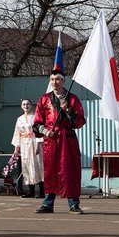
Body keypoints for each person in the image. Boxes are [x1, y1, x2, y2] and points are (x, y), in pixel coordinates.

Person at [33, 70, 86, 214]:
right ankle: (47, 203)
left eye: (57, 79)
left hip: (67, 140)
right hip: (51, 140)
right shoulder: (44, 99)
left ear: (63, 81)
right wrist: (45, 131)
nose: (54, 82)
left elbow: (80, 121)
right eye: (51, 79)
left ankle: (73, 204)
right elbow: (37, 122)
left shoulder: (72, 99)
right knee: (50, 171)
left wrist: (68, 110)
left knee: (70, 170)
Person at [11, 99, 44, 198]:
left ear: (31, 105)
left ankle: (42, 191)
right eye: (24, 104)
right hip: (24, 144)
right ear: (21, 106)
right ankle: (31, 191)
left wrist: (38, 144)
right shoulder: (19, 119)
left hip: (34, 142)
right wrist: (16, 148)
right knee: (26, 165)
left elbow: (39, 131)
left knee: (38, 165)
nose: (26, 106)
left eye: (28, 104)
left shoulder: (36, 117)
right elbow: (17, 133)